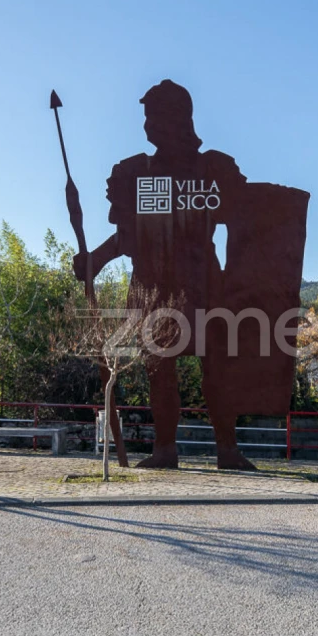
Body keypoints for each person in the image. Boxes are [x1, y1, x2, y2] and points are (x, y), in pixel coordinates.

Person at [66, 79, 257, 469]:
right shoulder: (134, 172)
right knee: (159, 371)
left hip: (205, 285)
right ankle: (165, 449)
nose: (148, 125)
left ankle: (228, 449)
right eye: (146, 117)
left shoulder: (213, 169)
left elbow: (246, 224)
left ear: (177, 118)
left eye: (154, 116)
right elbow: (127, 237)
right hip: (153, 285)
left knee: (217, 365)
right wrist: (95, 261)